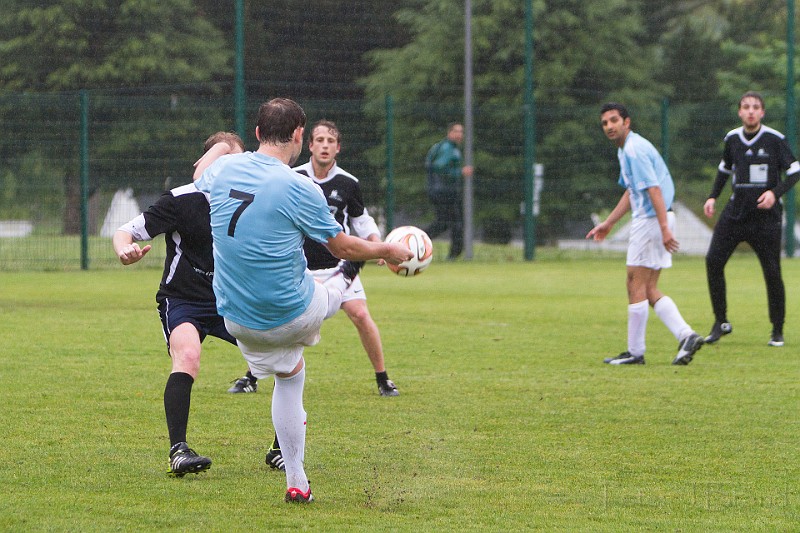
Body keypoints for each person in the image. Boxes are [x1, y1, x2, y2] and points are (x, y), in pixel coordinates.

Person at [193, 98, 412, 503]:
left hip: (237, 319)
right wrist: (387, 249)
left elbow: (199, 171)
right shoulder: (300, 186)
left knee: (290, 374)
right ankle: (347, 282)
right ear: (299, 137)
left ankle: (298, 481)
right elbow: (342, 244)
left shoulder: (223, 169)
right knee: (332, 290)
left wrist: (223, 145)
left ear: (257, 134)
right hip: (292, 311)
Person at [228, 119, 400, 398]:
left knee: (360, 314)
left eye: (330, 141)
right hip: (300, 267)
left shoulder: (348, 183)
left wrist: (377, 245)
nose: (324, 145)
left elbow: (361, 220)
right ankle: (251, 376)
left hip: (340, 265)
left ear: (338, 148)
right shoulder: (292, 177)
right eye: (319, 140)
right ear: (308, 144)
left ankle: (383, 378)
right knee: (281, 320)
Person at [113, 131, 246, 477]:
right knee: (187, 355)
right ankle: (179, 450)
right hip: (183, 299)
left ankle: (282, 449)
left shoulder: (249, 199)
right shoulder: (181, 199)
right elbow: (126, 231)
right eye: (223, 159)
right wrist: (124, 250)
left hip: (233, 299)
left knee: (283, 358)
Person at [587, 102, 705, 366]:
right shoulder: (627, 149)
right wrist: (609, 223)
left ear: (626, 122)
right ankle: (686, 335)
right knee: (648, 287)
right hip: (654, 219)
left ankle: (635, 352)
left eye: (614, 120)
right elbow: (632, 191)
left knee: (634, 283)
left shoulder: (634, 150)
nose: (609, 126)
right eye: (605, 122)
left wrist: (663, 228)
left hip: (651, 220)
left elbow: (654, 190)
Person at [703, 91, 800, 347]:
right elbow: (725, 168)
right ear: (739, 112)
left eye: (755, 107)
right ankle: (720, 322)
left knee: (772, 272)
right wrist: (713, 196)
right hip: (736, 214)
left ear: (762, 112)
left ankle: (777, 329)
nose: (750, 111)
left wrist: (774, 192)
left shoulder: (774, 139)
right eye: (745, 107)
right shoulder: (732, 139)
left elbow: (795, 171)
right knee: (713, 261)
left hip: (765, 219)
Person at [424, 122, 473, 260]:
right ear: (449, 133)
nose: (459, 135)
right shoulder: (448, 148)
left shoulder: (447, 147)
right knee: (452, 223)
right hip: (445, 192)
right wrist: (460, 172)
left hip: (443, 191)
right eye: (456, 131)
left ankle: (452, 254)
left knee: (446, 222)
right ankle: (418, 240)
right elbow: (439, 168)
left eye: (461, 132)